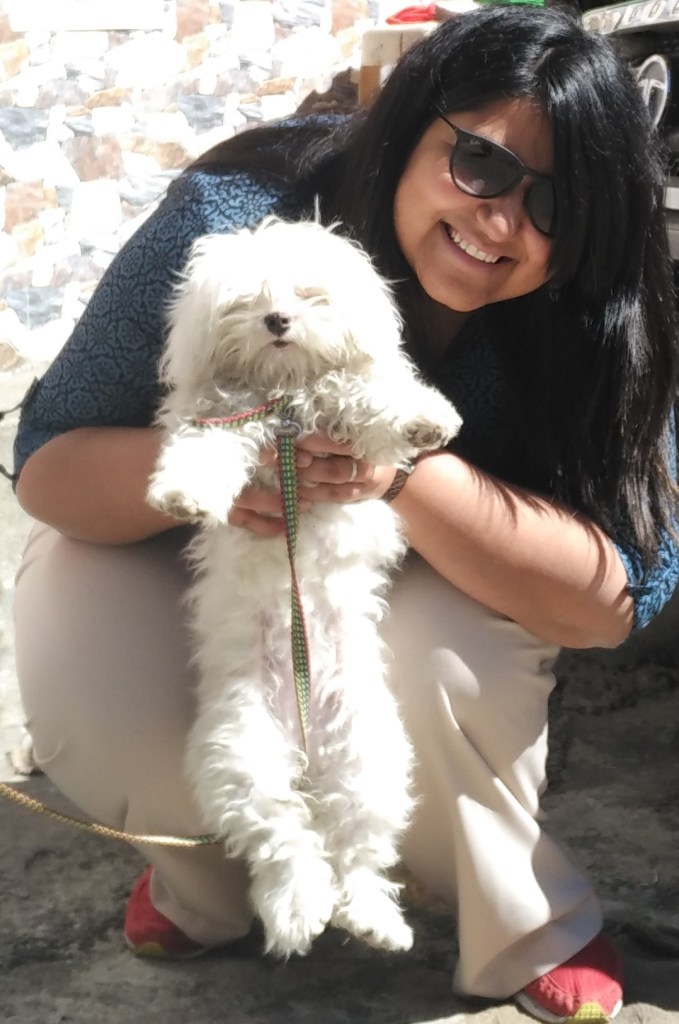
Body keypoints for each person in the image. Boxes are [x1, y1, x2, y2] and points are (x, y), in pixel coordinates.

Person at [9, 4, 679, 1021]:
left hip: (429, 569)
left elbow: (616, 594)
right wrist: (211, 471)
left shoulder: (607, 318)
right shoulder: (234, 214)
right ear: (414, 124)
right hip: (209, 544)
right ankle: (207, 881)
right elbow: (46, 464)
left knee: (440, 659)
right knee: (83, 621)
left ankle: (522, 914)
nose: (502, 221)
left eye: (558, 204)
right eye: (482, 167)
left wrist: (401, 475)